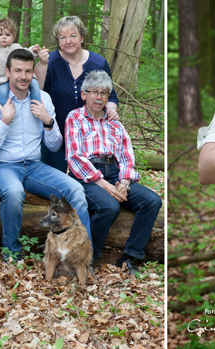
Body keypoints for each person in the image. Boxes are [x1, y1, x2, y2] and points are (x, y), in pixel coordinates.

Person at [0, 48, 90, 260]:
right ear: (7, 72)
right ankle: (12, 256)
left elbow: (55, 145)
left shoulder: (43, 100)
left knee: (75, 189)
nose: (23, 76)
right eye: (18, 71)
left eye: (28, 71)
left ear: (33, 73)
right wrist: (4, 121)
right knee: (13, 192)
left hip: (34, 166)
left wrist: (48, 122)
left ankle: (83, 257)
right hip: (2, 166)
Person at [65, 70, 162, 276]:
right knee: (109, 207)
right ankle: (88, 258)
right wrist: (105, 185)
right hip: (87, 177)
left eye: (104, 93)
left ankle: (130, 257)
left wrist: (125, 183)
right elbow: (75, 157)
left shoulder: (115, 122)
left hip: (115, 174)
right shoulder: (74, 117)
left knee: (152, 201)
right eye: (94, 92)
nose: (98, 97)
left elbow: (127, 155)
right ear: (84, 94)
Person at [36, 15, 119, 173]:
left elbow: (112, 95)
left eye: (73, 36)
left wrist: (111, 109)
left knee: (89, 186)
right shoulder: (50, 62)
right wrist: (41, 65)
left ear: (82, 37)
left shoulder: (98, 63)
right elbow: (38, 94)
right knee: (55, 186)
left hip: (89, 138)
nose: (68, 41)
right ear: (58, 40)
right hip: (55, 136)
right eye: (63, 37)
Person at [0, 17, 42, 104]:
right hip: (0, 79)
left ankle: (36, 105)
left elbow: (25, 54)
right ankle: (6, 109)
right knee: (2, 92)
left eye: (7, 35)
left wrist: (33, 50)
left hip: (20, 77)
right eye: (0, 35)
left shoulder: (16, 47)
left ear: (13, 37)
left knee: (35, 86)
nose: (4, 37)